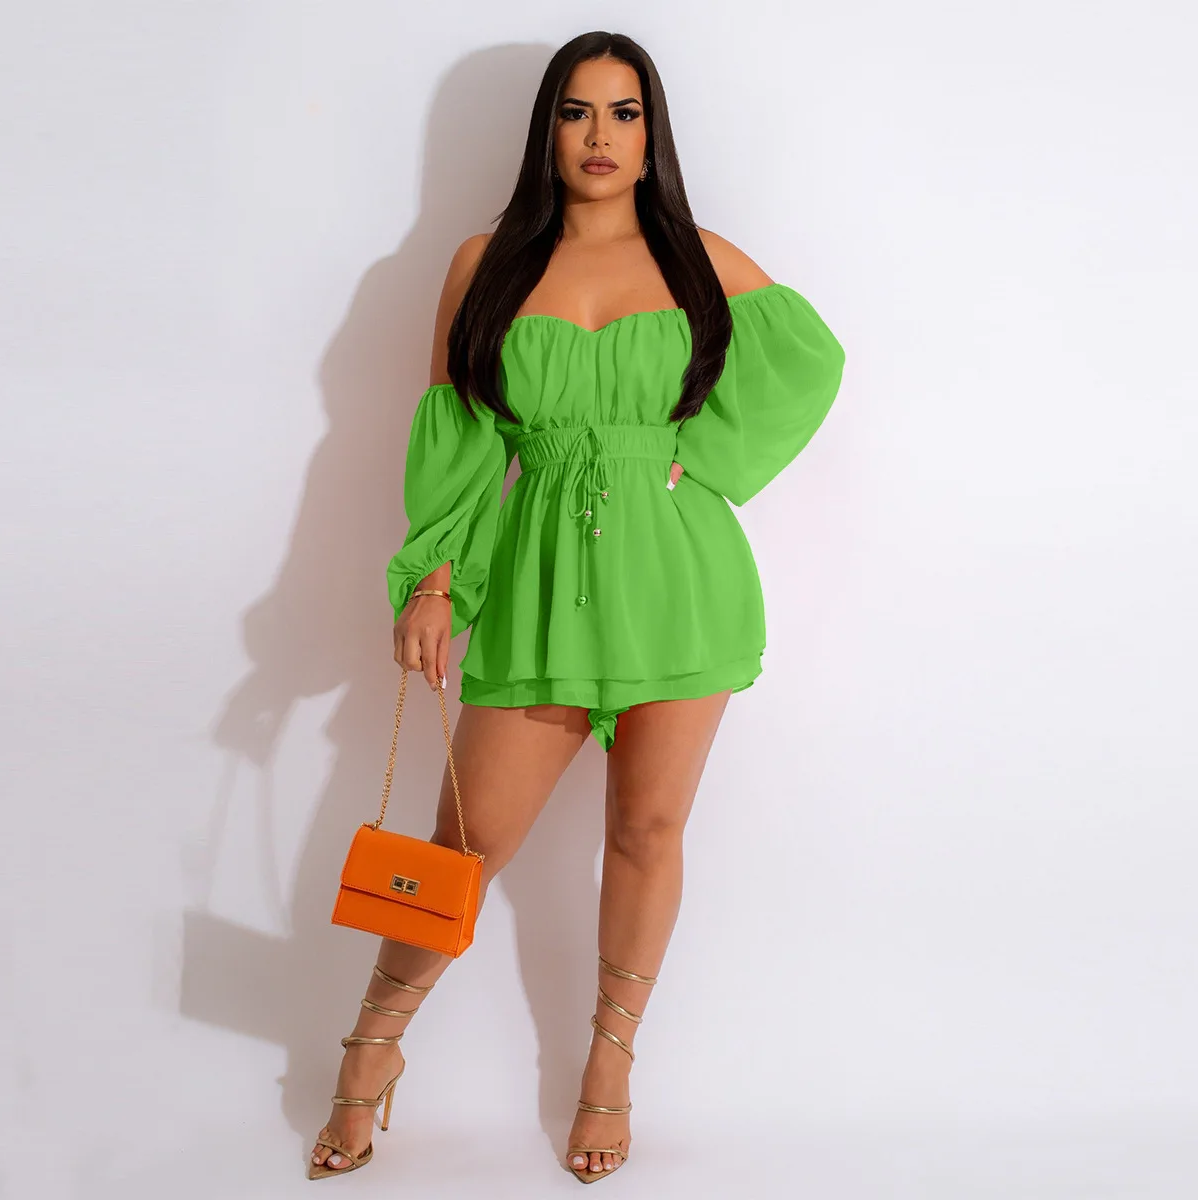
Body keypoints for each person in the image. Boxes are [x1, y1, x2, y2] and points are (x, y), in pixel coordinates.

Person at [308, 29, 845, 1185]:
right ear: (547, 129)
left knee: (646, 834)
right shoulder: (486, 262)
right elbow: (458, 437)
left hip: (679, 582)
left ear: (652, 136)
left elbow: (810, 356)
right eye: (577, 111)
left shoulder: (696, 256)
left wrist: (704, 461)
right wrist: (436, 578)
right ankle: (370, 1046)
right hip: (541, 586)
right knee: (470, 839)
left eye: (624, 112)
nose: (601, 136)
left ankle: (610, 1062)